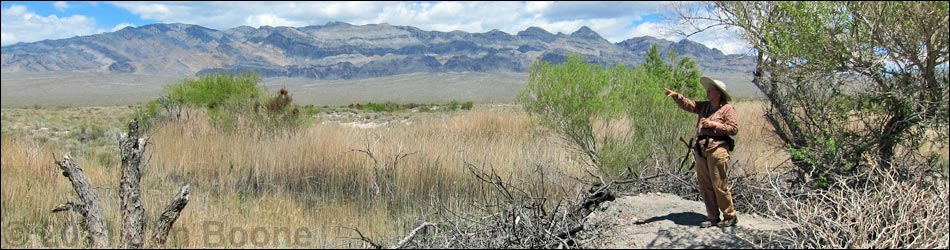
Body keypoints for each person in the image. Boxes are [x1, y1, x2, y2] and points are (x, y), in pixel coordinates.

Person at [664, 76, 739, 228]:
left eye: (711, 90)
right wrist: (677, 96)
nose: (708, 92)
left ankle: (730, 216)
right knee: (705, 185)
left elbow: (733, 129)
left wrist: (714, 124)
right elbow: (689, 105)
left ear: (718, 93)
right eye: (708, 90)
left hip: (717, 148)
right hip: (702, 149)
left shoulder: (727, 109)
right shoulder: (704, 107)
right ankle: (713, 217)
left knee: (719, 184)